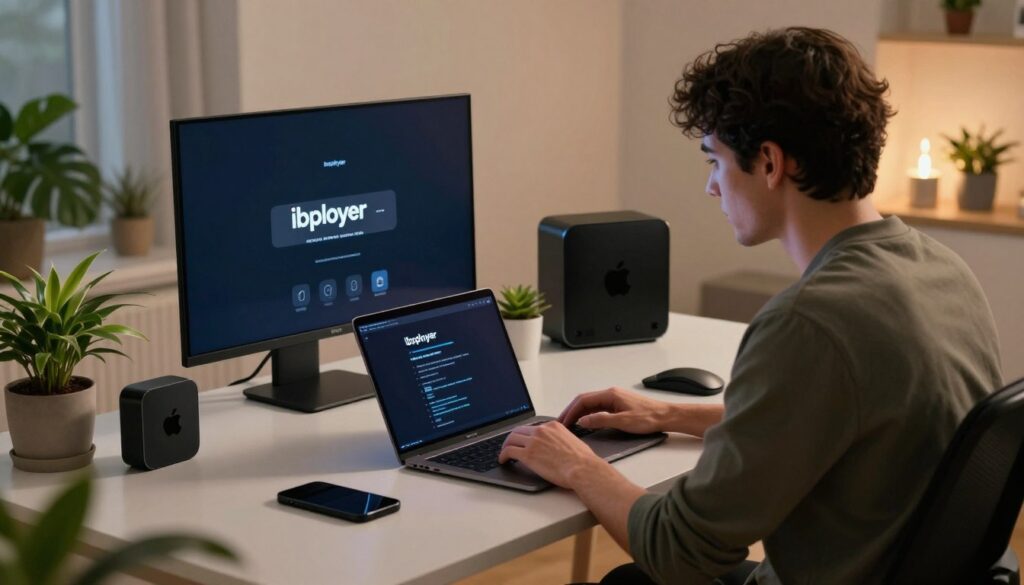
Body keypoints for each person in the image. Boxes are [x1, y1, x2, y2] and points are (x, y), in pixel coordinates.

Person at [498, 27, 1003, 584]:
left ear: (769, 162)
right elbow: (848, 424)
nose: (712, 187)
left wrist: (577, 464)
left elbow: (680, 552)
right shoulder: (941, 270)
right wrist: (670, 414)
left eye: (714, 160)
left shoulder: (808, 322)